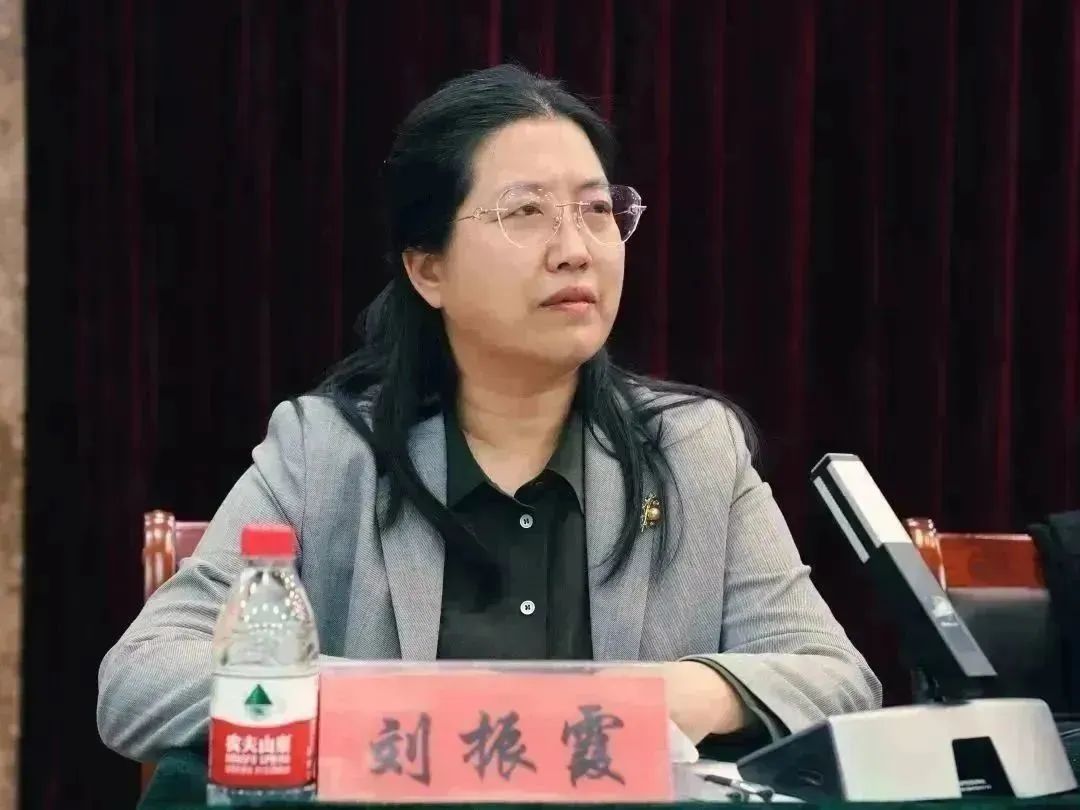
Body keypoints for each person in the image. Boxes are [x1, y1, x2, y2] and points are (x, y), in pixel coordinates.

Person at [97, 64, 881, 763]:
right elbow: (142, 680)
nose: (575, 248)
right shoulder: (326, 453)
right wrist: (415, 709)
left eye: (596, 210)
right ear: (428, 269)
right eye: (526, 212)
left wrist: (682, 694)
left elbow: (836, 678)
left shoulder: (690, 451)